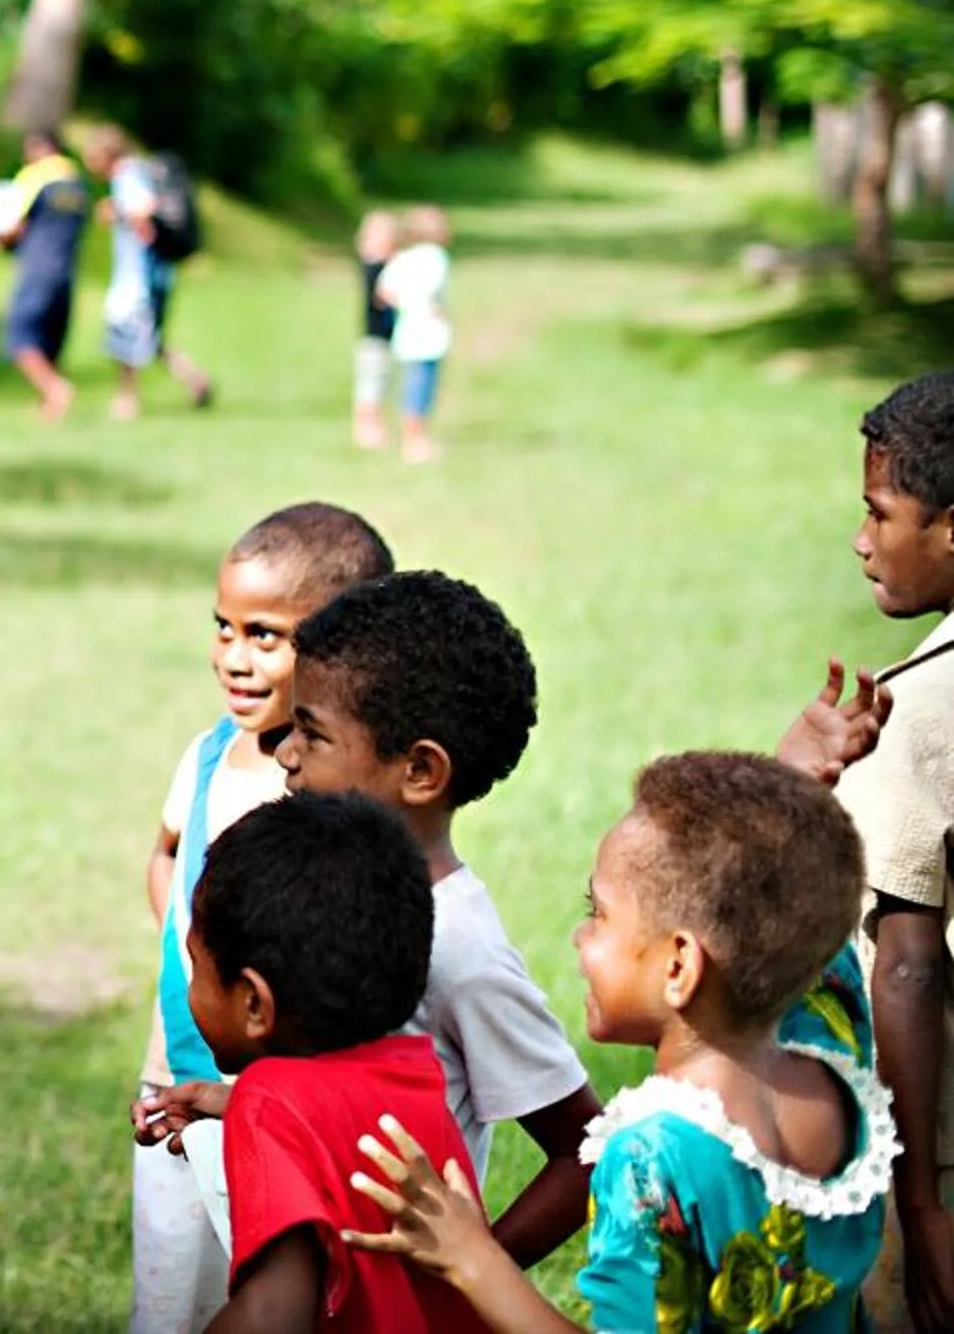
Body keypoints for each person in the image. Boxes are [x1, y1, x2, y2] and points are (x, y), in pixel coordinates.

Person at [349, 754, 895, 1332]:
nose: (580, 937)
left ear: (680, 964)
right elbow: (782, 905)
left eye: (598, 915)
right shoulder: (836, 1048)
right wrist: (798, 782)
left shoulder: (650, 1158)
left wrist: (472, 1258)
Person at [247, 573, 599, 1264]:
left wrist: (465, 1279)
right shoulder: (332, 894)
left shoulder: (460, 949)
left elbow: (584, 1150)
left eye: (311, 735)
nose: (285, 754)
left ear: (420, 772)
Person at [131, 502, 396, 1334]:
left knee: (281, 1304)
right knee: (174, 1301)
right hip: (174, 1088)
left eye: (266, 636)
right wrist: (187, 938)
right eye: (224, 628)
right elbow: (167, 850)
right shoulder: (209, 753)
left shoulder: (335, 792)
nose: (234, 658)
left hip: (282, 1112)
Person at [179, 793, 491, 1333]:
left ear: (254, 1003)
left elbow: (272, 1313)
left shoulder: (267, 1099)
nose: (192, 987)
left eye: (197, 966)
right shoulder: (415, 1074)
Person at [824, 371, 954, 1331]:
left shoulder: (919, 707)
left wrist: (920, 1207)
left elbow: (905, 963)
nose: (863, 540)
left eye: (880, 513)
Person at [82, 128, 212, 422]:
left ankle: (126, 401)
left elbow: (144, 212)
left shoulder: (128, 176)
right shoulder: (142, 172)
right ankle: (195, 380)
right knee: (150, 339)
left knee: (127, 336)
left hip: (139, 274)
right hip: (152, 272)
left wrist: (117, 214)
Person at [0, 131, 89, 423]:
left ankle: (56, 389)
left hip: (36, 268)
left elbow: (11, 223)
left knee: (20, 336)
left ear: (40, 148)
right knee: (51, 339)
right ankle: (49, 406)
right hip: (66, 269)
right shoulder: (77, 184)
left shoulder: (35, 177)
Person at [376, 207, 453, 463]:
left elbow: (385, 291)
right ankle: (416, 439)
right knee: (422, 386)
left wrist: (405, 305)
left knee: (411, 383)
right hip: (428, 330)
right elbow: (433, 290)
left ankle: (412, 436)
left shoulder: (402, 259)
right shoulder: (435, 258)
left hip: (408, 328)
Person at [350, 211, 401, 450]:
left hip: (383, 338)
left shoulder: (380, 267)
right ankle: (366, 428)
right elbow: (383, 296)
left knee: (379, 384)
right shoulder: (373, 268)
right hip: (375, 338)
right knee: (371, 384)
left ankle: (374, 426)